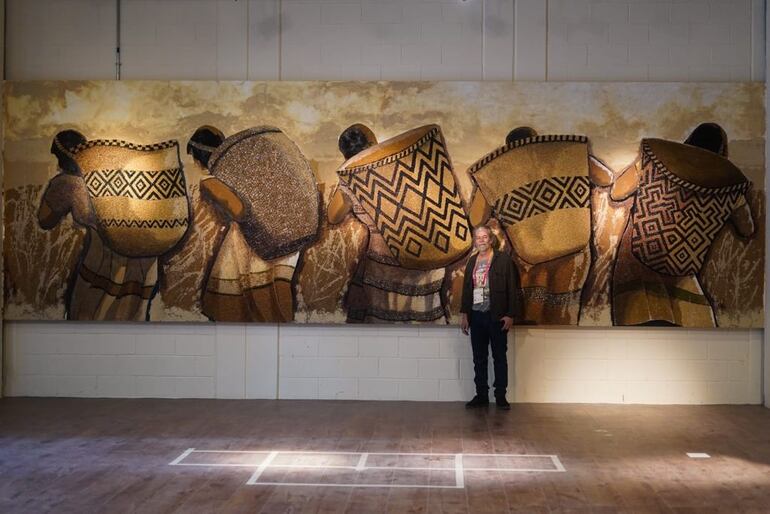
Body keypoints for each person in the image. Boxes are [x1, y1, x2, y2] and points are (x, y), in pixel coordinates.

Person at [460, 225, 520, 409]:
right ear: (474, 241)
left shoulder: (503, 260)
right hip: (476, 317)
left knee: (499, 358)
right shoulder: (472, 261)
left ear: (491, 239)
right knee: (479, 358)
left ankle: (501, 396)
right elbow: (467, 289)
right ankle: (481, 395)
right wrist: (465, 314)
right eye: (478, 237)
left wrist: (510, 314)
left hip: (497, 317)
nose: (481, 240)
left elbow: (513, 288)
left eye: (484, 237)